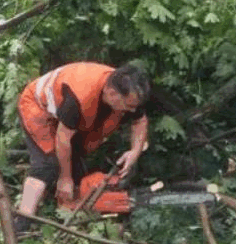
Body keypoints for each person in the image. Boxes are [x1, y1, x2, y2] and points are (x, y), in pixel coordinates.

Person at [14, 62, 150, 232]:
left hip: (68, 118)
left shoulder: (128, 91)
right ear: (112, 93)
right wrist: (65, 179)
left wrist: (134, 152)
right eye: (129, 106)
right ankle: (22, 222)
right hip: (38, 108)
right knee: (48, 164)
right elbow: (63, 140)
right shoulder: (79, 98)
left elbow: (140, 120)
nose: (132, 110)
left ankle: (64, 205)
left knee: (76, 160)